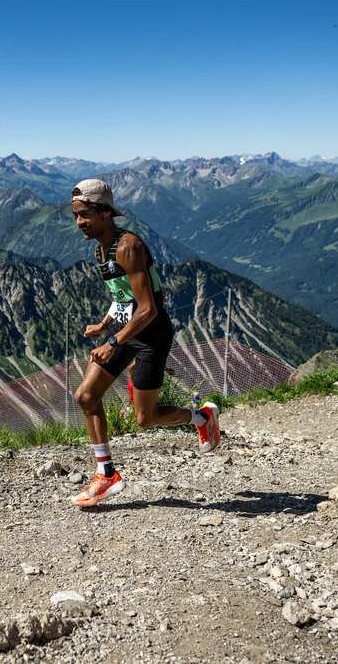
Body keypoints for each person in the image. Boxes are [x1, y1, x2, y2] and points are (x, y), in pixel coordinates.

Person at [69, 178, 220, 507]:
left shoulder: (128, 247)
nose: (79, 222)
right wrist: (105, 324)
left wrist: (113, 341)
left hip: (151, 334)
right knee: (86, 396)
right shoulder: (101, 251)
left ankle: (202, 418)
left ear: (106, 212)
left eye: (85, 215)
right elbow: (124, 298)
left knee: (145, 419)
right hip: (125, 330)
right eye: (76, 215)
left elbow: (148, 308)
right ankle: (106, 475)